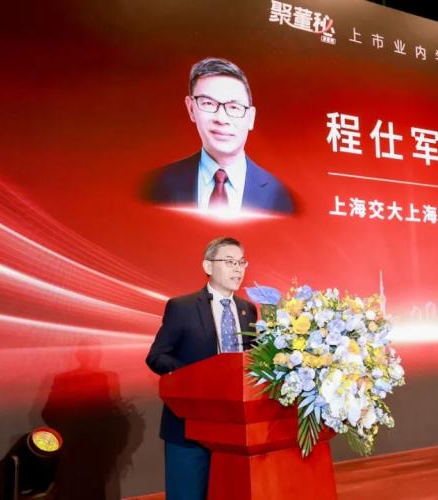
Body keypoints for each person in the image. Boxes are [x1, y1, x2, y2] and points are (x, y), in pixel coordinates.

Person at [146, 237, 257, 500]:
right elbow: (157, 356)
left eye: (241, 262)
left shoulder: (248, 310)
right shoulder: (182, 307)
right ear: (208, 266)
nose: (237, 269)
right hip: (189, 426)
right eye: (229, 262)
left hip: (234, 429)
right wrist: (197, 376)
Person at [144, 57, 294, 214]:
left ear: (251, 118)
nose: (221, 119)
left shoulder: (280, 195)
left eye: (234, 107)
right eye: (208, 103)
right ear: (191, 108)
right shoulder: (157, 184)